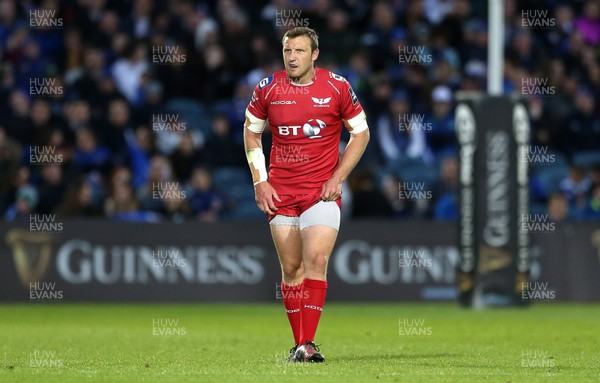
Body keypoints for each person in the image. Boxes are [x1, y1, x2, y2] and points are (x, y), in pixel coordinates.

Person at [243, 27, 369, 363]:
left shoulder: (337, 86)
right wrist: (260, 182)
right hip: (281, 192)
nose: (292, 57)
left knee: (316, 260)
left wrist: (338, 177)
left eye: (299, 51)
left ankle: (308, 343)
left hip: (320, 193)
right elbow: (252, 134)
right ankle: (299, 344)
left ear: (314, 54)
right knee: (291, 269)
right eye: (287, 51)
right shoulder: (268, 89)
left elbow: (360, 133)